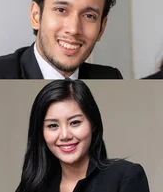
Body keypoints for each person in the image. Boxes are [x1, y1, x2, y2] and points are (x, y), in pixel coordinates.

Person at [15, 79, 149, 192]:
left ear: (93, 124)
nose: (65, 135)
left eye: (75, 122)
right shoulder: (33, 187)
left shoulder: (125, 176)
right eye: (53, 125)